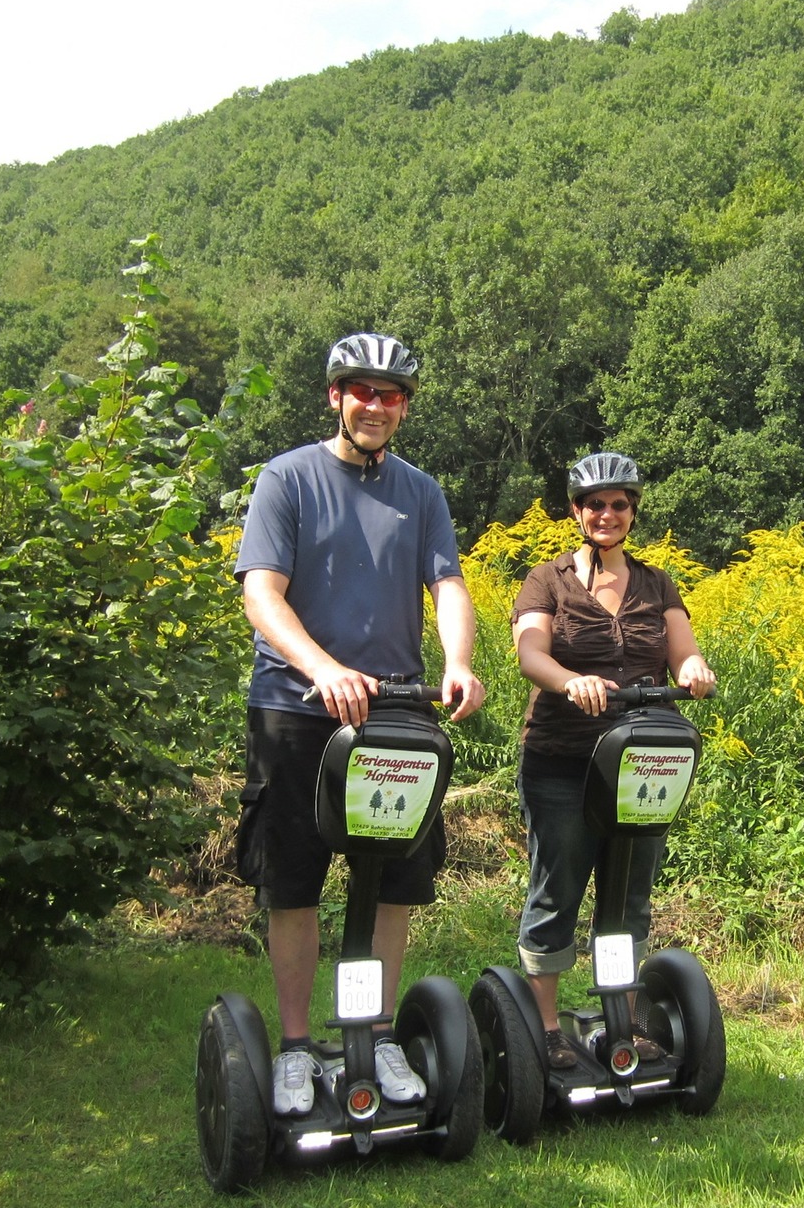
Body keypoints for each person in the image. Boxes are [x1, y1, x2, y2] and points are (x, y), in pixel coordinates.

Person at [233, 332, 488, 1117]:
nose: (377, 406)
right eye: (363, 392)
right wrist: (323, 667)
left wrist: (458, 659)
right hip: (296, 710)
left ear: (404, 406)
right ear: (336, 397)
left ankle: (375, 1032)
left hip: (394, 716)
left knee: (391, 886)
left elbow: (447, 584)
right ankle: (298, 1047)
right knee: (294, 884)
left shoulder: (420, 491)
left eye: (392, 395)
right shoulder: (288, 478)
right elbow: (262, 595)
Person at [509, 452, 716, 1070]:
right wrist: (570, 681)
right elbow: (531, 654)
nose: (607, 514)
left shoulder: (657, 583)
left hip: (641, 761)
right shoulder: (548, 580)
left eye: (619, 504)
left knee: (628, 894)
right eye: (594, 504)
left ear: (632, 512)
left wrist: (693, 670)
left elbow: (682, 652)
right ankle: (546, 1028)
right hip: (563, 759)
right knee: (559, 887)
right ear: (576, 511)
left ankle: (621, 1015)